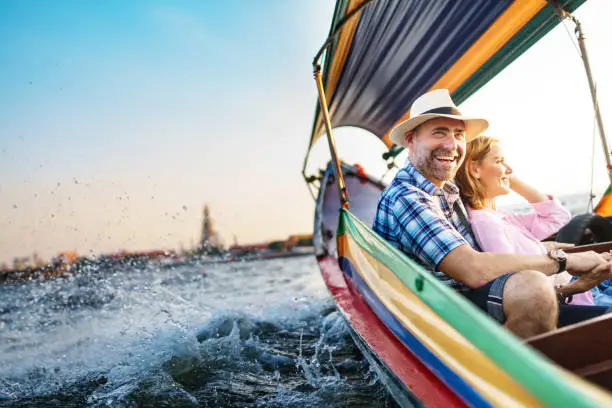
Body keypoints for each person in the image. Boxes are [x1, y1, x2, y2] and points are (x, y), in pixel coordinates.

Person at [372, 88, 611, 338]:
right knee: (533, 289)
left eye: (458, 135)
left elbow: (504, 242)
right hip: (438, 316)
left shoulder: (448, 188)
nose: (452, 144)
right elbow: (472, 269)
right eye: (439, 133)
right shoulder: (407, 198)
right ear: (411, 140)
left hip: (474, 299)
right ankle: (504, 374)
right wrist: (565, 261)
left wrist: (553, 251)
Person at [454, 135, 594, 305]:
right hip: (570, 299)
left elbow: (557, 217)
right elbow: (516, 278)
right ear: (475, 169)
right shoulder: (485, 222)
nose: (509, 169)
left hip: (583, 292)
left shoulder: (499, 216)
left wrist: (509, 178)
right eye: (499, 161)